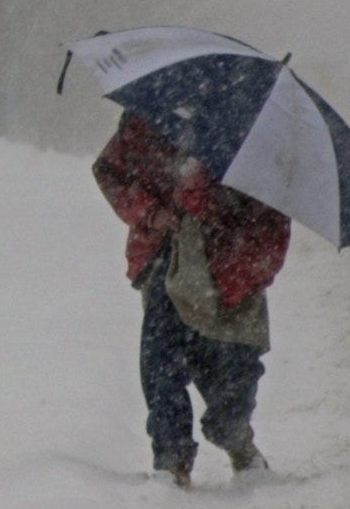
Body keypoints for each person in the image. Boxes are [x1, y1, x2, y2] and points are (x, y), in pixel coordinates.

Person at [92, 110, 291, 488]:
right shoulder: (147, 117)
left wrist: (208, 203)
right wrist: (153, 213)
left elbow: (270, 223)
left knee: (230, 370)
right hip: (165, 257)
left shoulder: (255, 133)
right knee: (160, 360)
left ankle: (235, 437)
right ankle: (172, 459)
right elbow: (111, 171)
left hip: (230, 267)